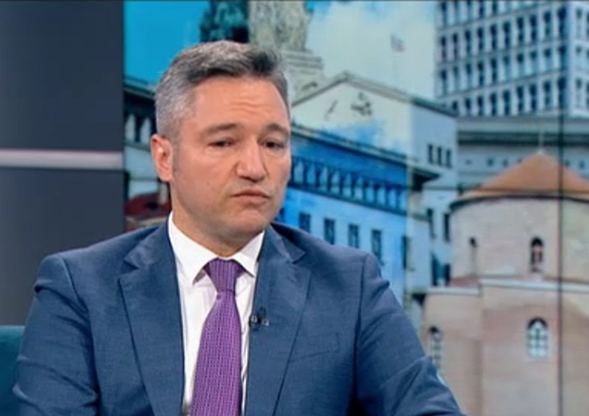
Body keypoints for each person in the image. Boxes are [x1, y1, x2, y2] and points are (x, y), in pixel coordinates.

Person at [14, 40, 464, 416]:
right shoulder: (81, 289)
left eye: (273, 143)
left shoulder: (350, 286)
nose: (254, 167)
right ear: (164, 157)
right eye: (224, 142)